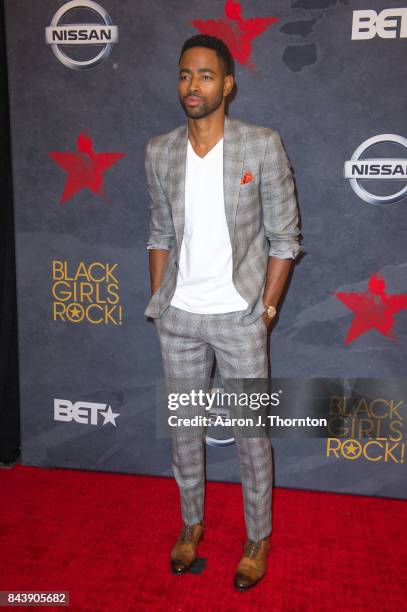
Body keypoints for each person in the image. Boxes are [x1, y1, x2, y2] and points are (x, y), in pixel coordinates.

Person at [144, 33, 303, 591]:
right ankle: (191, 526)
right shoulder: (160, 151)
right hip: (180, 318)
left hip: (239, 317)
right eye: (186, 75)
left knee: (251, 436)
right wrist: (161, 300)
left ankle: (256, 536)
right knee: (185, 431)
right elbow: (159, 233)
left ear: (228, 84)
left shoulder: (260, 145)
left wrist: (264, 311)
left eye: (206, 76)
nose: (194, 86)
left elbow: (285, 240)